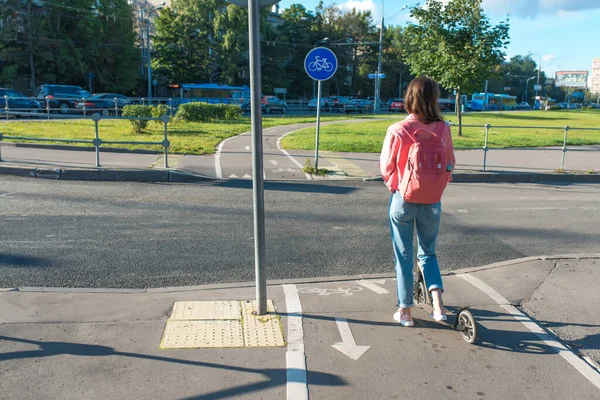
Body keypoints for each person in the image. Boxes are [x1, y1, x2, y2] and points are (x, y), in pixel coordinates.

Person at [379, 76, 456, 327]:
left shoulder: (398, 129)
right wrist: (437, 189)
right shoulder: (443, 128)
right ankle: (438, 305)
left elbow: (386, 167)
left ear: (409, 97)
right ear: (434, 99)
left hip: (403, 199)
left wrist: (396, 187)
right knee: (428, 252)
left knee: (403, 256)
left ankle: (405, 311)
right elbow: (450, 164)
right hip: (432, 200)